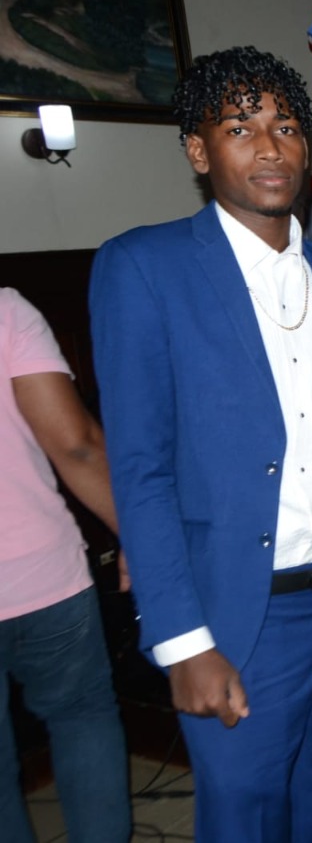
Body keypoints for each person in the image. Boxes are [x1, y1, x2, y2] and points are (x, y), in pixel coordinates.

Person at [90, 47, 312, 843]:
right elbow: (140, 469)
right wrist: (182, 639)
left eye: (286, 127)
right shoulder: (144, 267)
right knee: (246, 821)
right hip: (238, 614)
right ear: (198, 149)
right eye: (240, 128)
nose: (270, 146)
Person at [1, 289, 130, 843]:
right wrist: (136, 536)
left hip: (48, 577)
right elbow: (75, 444)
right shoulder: (6, 310)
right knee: (81, 716)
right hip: (45, 573)